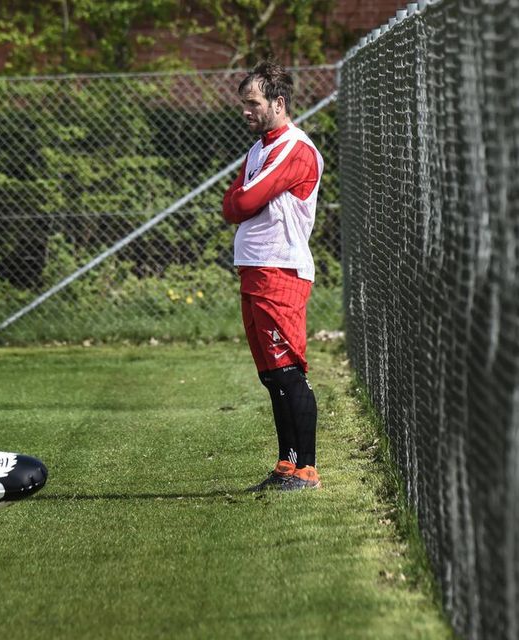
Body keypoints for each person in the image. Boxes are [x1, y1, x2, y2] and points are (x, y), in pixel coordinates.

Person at [222, 60, 324, 491]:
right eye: (243, 103)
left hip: (280, 269)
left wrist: (242, 200)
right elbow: (231, 204)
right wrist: (241, 200)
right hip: (254, 268)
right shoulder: (258, 150)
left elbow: (244, 203)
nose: (246, 110)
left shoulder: (295, 149)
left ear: (278, 103)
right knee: (270, 375)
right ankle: (286, 465)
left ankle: (307, 470)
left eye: (253, 103)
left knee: (287, 371)